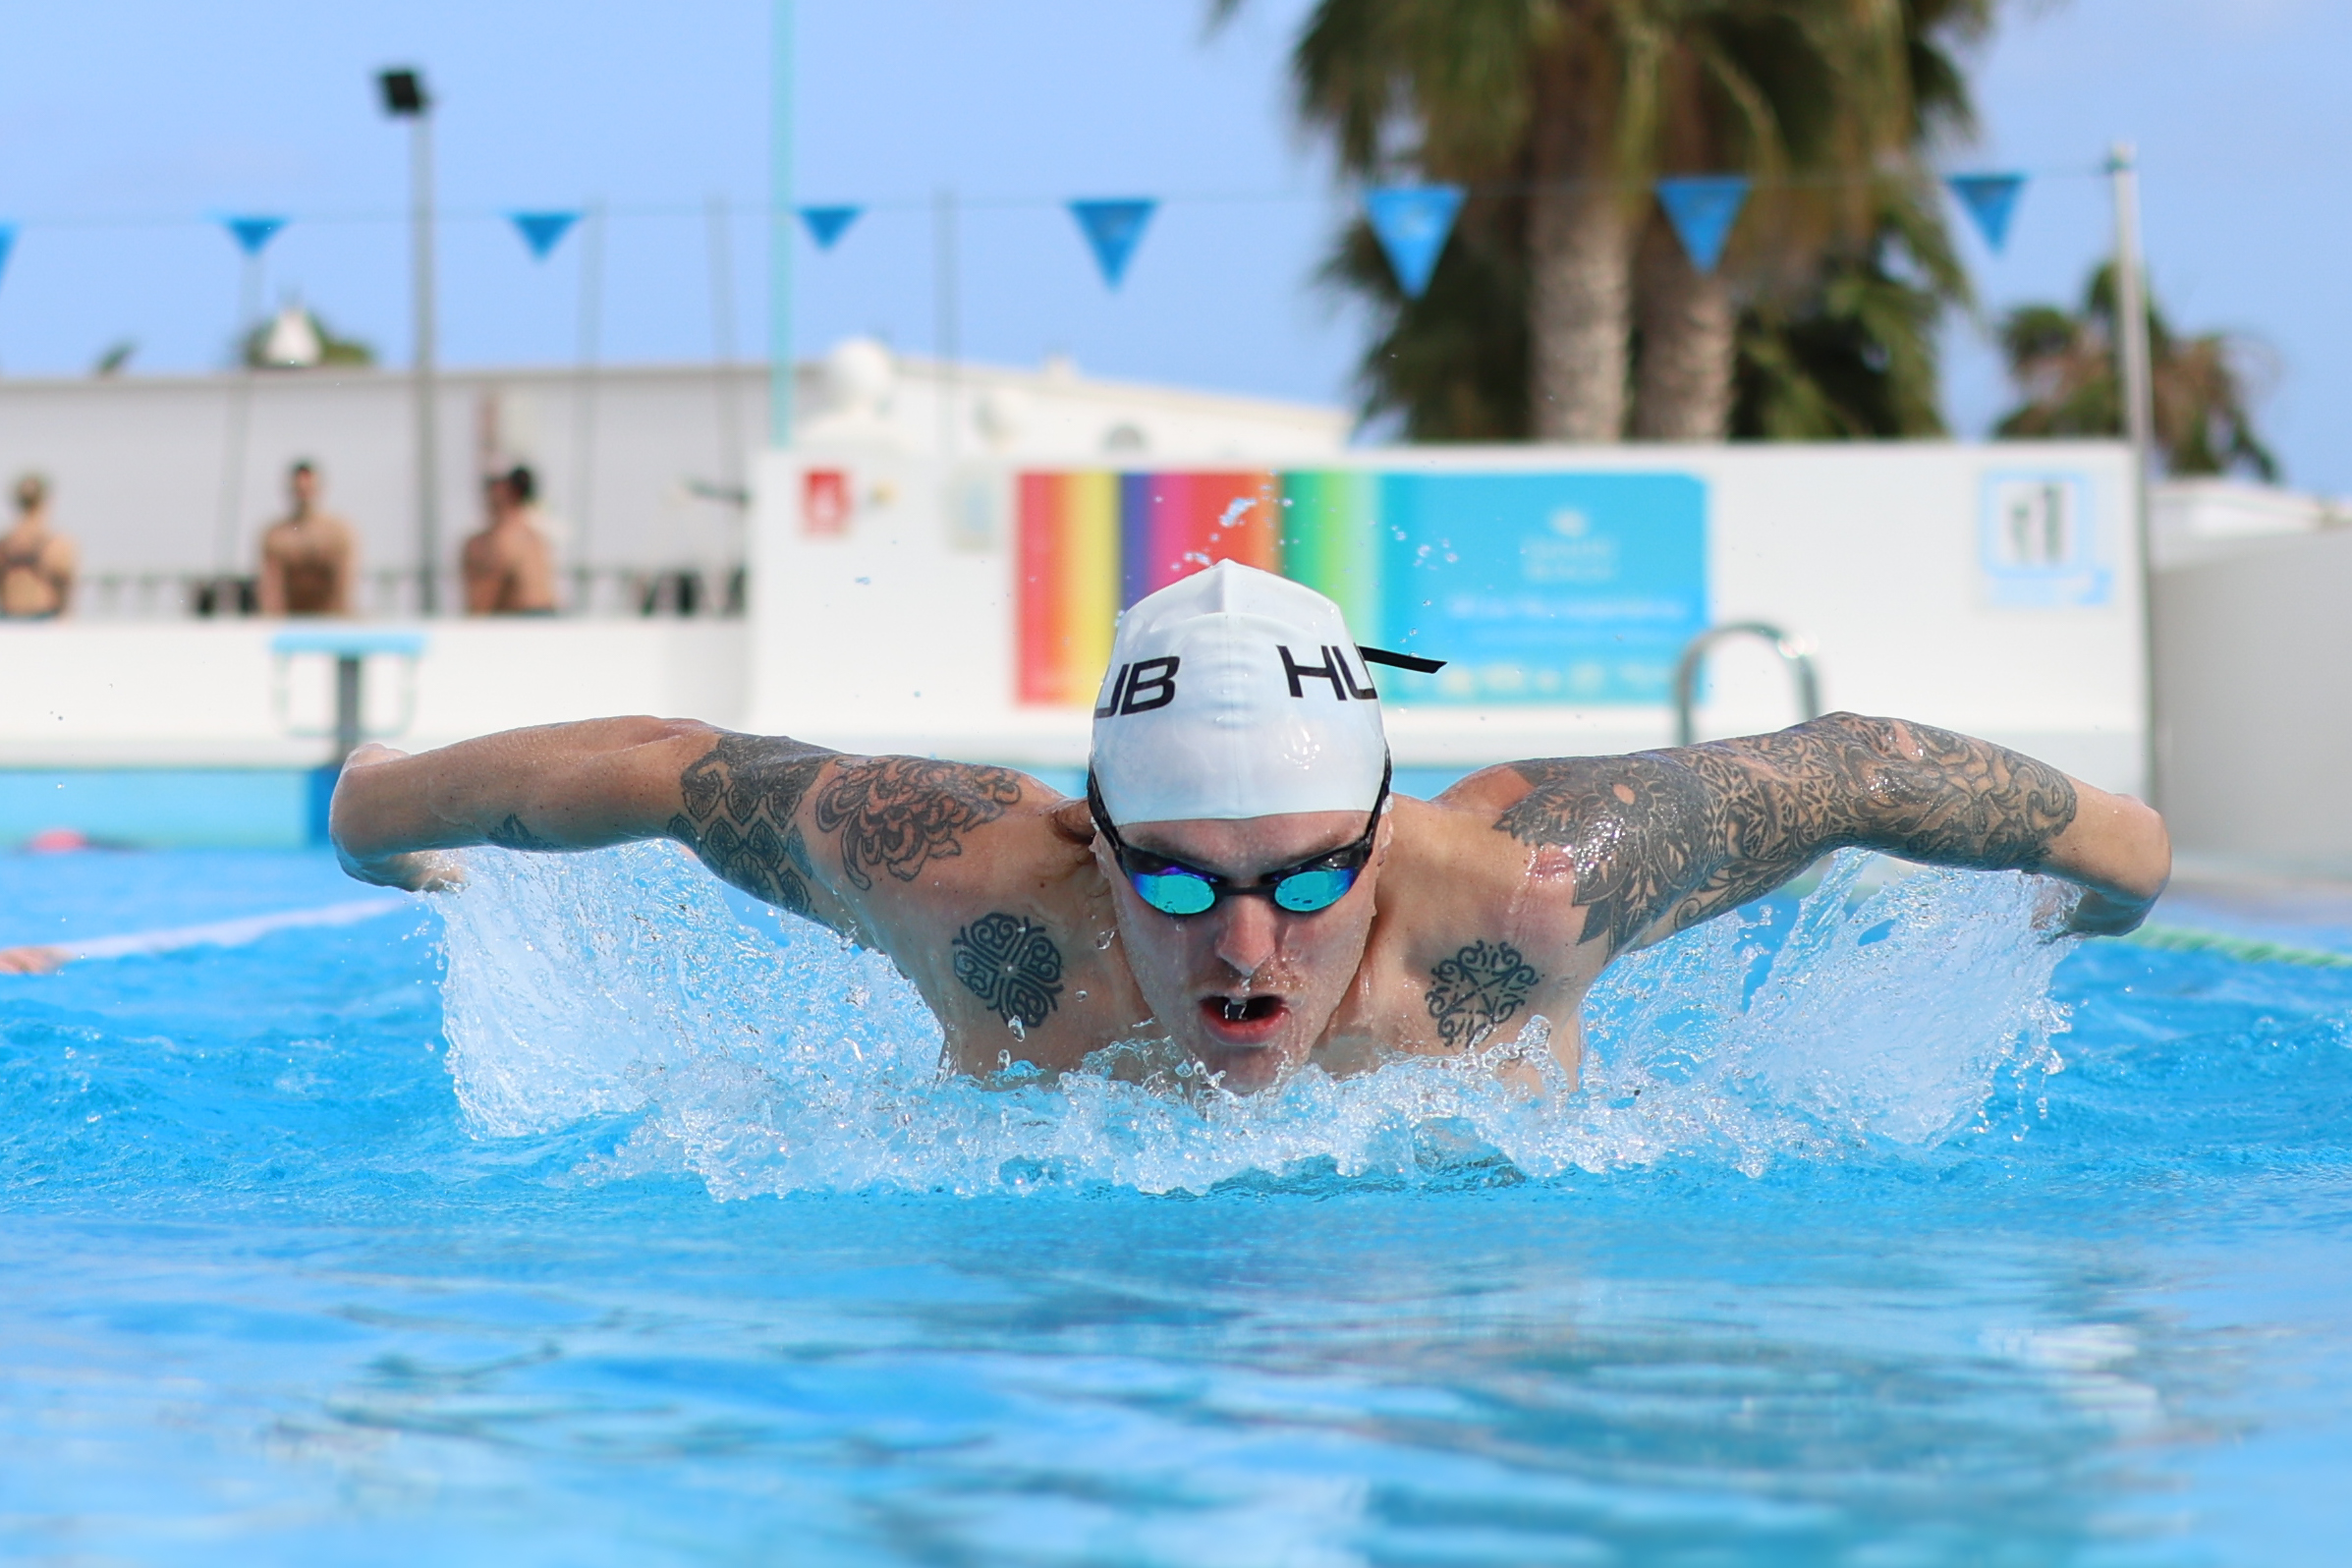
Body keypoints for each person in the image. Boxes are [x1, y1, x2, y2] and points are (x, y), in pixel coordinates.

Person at [329, 562, 2170, 1093]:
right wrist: (373, 817)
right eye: (1175, 879)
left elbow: (1854, 770)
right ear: (1084, 835)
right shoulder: (965, 887)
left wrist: (2114, 872)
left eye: (1306, 877)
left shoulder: (1521, 905)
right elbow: (673, 767)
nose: (1243, 948)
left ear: (1384, 833)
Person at [257, 461, 360, 617]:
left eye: (308, 489)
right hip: (290, 621)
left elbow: (343, 589)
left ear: (318, 489)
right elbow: (271, 591)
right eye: (299, 489)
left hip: (330, 620)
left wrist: (338, 625)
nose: (304, 494)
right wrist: (274, 623)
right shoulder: (277, 536)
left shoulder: (338, 534)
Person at [462, 465, 559, 615]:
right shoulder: (533, 534)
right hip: (543, 618)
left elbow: (483, 601)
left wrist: (471, 624)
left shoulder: (504, 538)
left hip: (522, 621)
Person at [0, 473, 77, 619]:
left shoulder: (5, 544)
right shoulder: (58, 545)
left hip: (8, 620)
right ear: (45, 502)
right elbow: (66, 587)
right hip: (43, 620)